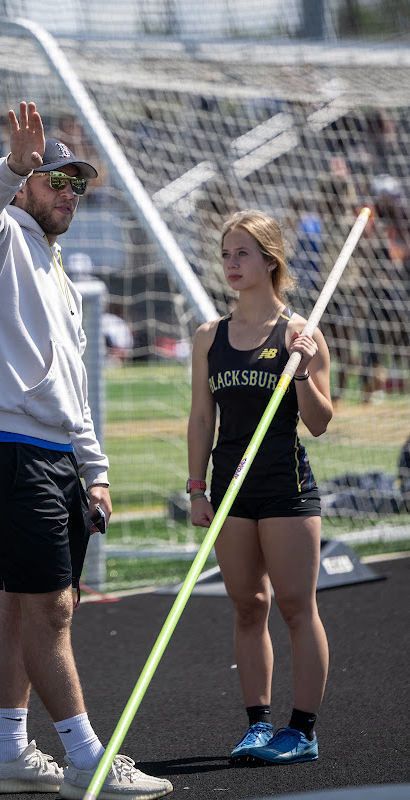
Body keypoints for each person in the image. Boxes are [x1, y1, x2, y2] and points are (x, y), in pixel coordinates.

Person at [0, 102, 172, 800]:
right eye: (55, 179)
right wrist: (14, 164)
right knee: (52, 610)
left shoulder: (55, 265)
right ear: (24, 188)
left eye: (76, 183)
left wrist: (94, 471)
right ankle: (88, 761)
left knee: (19, 605)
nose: (68, 192)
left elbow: (73, 387)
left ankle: (8, 753)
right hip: (6, 449)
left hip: (46, 454)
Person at [187, 209, 332, 766]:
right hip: (230, 490)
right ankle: (258, 726)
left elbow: (319, 422)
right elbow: (202, 418)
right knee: (248, 606)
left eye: (242, 253)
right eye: (226, 254)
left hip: (285, 488)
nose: (231, 263)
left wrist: (302, 372)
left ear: (270, 261)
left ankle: (302, 731)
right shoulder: (209, 337)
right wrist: (197, 489)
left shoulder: (301, 334)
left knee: (295, 607)